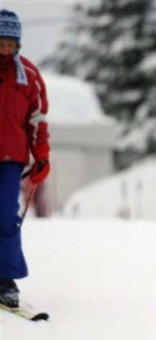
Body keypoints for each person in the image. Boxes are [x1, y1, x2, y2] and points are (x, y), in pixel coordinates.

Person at [0, 9, 50, 309]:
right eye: (1, 42)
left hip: (10, 158)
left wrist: (41, 157)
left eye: (10, 43)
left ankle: (5, 278)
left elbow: (38, 119)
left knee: (6, 216)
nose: (6, 48)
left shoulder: (28, 75)